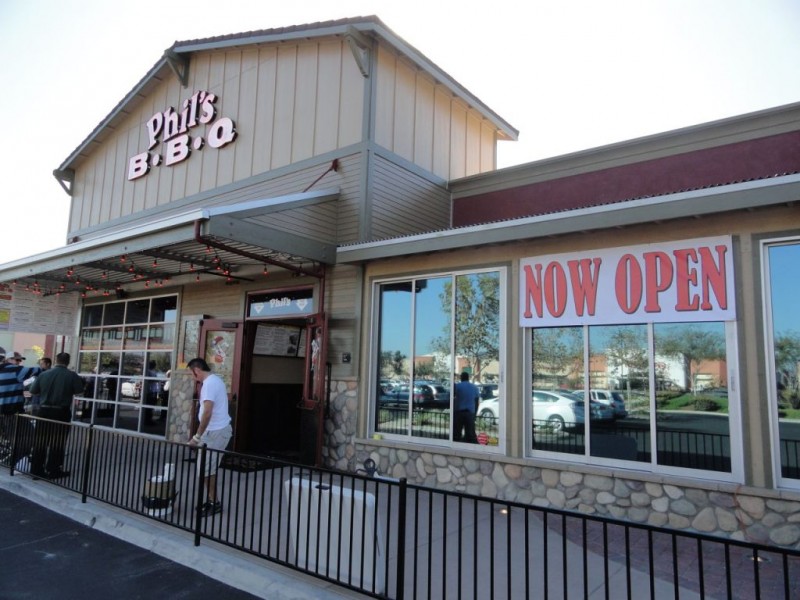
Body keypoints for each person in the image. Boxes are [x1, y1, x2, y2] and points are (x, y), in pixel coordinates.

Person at [186, 357, 232, 517]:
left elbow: (207, 412)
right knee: (205, 469)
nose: (193, 377)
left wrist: (197, 436)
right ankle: (212, 500)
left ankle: (214, 503)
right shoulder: (213, 381)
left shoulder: (210, 383)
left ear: (197, 370)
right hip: (213, 431)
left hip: (215, 432)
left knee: (207, 469)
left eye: (192, 374)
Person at [29, 352, 85, 479]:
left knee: (40, 441)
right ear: (68, 361)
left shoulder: (44, 374)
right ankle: (53, 469)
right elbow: (79, 391)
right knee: (58, 442)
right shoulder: (71, 375)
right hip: (61, 412)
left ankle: (36, 470)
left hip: (43, 411)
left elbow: (33, 391)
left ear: (56, 360)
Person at [0, 348, 41, 416]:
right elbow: (37, 370)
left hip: (2, 410)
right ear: (8, 359)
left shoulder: (1, 370)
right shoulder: (16, 370)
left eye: (20, 360)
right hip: (12, 411)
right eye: (17, 360)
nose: (19, 362)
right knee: (26, 426)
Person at [453, 371, 479, 443]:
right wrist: (475, 414)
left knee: (457, 433)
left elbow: (452, 398)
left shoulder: (457, 386)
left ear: (461, 378)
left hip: (459, 412)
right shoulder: (474, 387)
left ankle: (456, 448)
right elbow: (476, 401)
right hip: (470, 413)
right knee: (469, 434)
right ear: (468, 378)